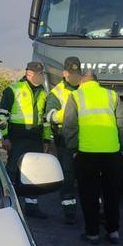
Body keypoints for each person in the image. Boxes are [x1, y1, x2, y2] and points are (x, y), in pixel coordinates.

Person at [63, 70, 123, 244]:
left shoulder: (75, 95)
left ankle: (92, 233)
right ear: (97, 82)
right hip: (112, 153)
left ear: (82, 82)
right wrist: (122, 146)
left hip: (86, 153)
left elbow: (69, 125)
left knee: (89, 195)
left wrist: (73, 149)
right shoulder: (112, 95)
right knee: (112, 193)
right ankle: (113, 231)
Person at [0, 61, 49, 219]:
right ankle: (7, 205)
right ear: (29, 74)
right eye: (38, 74)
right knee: (13, 170)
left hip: (36, 137)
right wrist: (4, 137)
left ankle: (32, 207)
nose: (41, 77)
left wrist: (46, 139)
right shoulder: (14, 90)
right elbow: (2, 115)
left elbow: (45, 119)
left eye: (42, 74)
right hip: (17, 136)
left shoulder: (43, 93)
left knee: (34, 173)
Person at [44, 56, 83, 224]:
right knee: (67, 177)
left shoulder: (85, 89)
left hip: (85, 140)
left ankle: (97, 210)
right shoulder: (56, 93)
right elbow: (50, 116)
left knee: (89, 176)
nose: (74, 76)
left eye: (77, 73)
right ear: (64, 73)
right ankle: (69, 211)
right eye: (71, 73)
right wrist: (69, 114)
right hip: (65, 141)